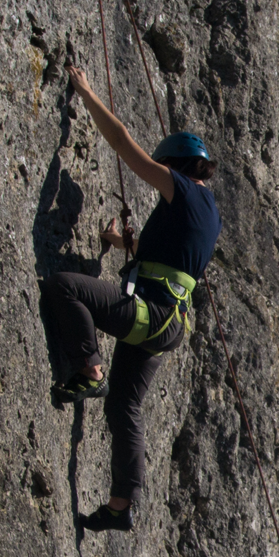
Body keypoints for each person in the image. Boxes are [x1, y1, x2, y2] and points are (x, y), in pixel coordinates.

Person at [41, 65, 222, 533]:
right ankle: (121, 505)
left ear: (178, 165)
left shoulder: (182, 190)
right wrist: (122, 244)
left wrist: (85, 92)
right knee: (124, 405)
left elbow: (124, 144)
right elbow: (172, 259)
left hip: (153, 313)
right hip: (168, 321)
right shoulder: (208, 214)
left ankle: (89, 369)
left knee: (64, 287)